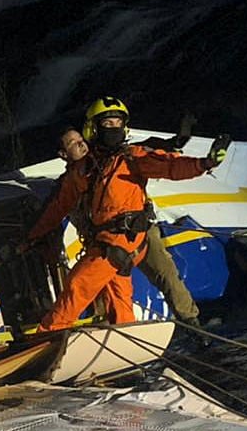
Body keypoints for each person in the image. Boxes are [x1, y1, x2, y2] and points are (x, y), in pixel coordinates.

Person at [25, 96, 226, 331]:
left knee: (83, 284)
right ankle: (124, 333)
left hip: (131, 238)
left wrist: (204, 164)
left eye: (117, 123)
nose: (113, 129)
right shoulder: (82, 171)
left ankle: (193, 325)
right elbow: (56, 208)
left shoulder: (131, 158)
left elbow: (168, 165)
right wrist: (29, 238)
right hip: (107, 245)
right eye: (107, 124)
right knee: (116, 297)